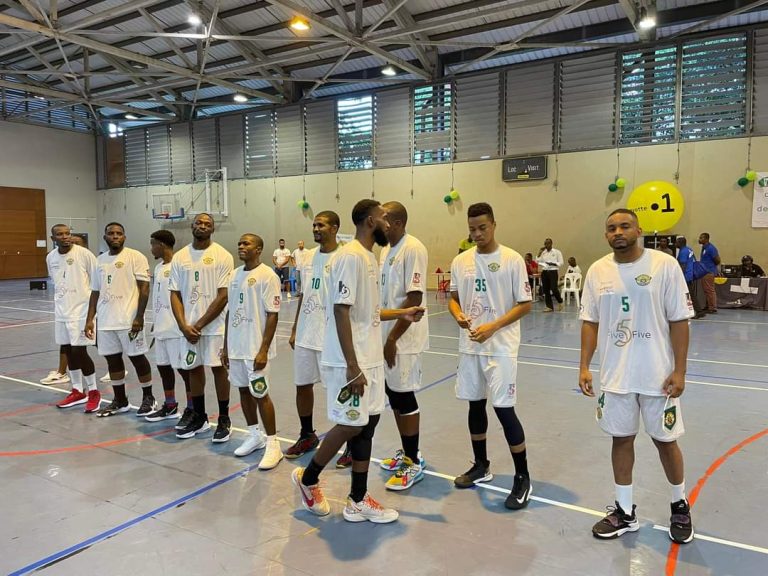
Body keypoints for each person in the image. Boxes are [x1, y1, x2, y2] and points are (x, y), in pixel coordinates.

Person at [292, 199, 424, 524]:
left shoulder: (369, 257)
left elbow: (369, 312)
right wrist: (352, 366)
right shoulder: (350, 256)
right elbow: (341, 310)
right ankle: (308, 479)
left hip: (371, 357)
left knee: (369, 423)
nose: (388, 224)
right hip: (349, 361)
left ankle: (358, 499)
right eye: (383, 218)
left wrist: (403, 312)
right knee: (351, 423)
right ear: (370, 221)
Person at [579, 209, 694, 544]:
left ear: (638, 230)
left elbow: (679, 320)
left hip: (659, 376)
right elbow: (590, 322)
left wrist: (680, 370)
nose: (618, 232)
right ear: (606, 235)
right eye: (611, 228)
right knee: (621, 440)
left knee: (666, 441)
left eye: (625, 226)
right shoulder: (598, 270)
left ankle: (679, 505)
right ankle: (625, 511)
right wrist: (584, 365)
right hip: (616, 375)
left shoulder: (664, 265)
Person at [448, 202, 534, 510]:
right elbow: (454, 298)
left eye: (482, 227)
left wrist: (493, 327)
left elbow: (525, 304)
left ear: (494, 224)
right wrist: (457, 314)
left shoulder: (511, 259)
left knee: (504, 409)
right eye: (472, 229)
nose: (477, 234)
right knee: (475, 404)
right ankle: (481, 465)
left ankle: (522, 477)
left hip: (501, 347)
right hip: (471, 345)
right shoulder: (461, 261)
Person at [378, 201, 430, 491]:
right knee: (394, 395)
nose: (379, 222)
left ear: (397, 223)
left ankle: (413, 462)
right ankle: (409, 454)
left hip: (404, 339)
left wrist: (392, 338)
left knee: (405, 397)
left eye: (384, 218)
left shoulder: (413, 249)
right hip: (388, 336)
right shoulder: (386, 250)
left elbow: (414, 299)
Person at [221, 234, 283, 470]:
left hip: (255, 348)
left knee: (260, 393)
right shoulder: (234, 275)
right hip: (236, 347)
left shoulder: (268, 275)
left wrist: (263, 350)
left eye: (246, 243)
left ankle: (273, 444)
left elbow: (273, 315)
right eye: (239, 243)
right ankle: (254, 435)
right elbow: (230, 311)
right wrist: (226, 346)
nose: (241, 246)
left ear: (258, 249)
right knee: (243, 391)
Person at [170, 213, 234, 441]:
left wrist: (198, 325)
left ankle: (224, 418)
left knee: (218, 369)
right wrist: (183, 326)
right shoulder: (180, 257)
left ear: (213, 229)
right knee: (193, 368)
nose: (203, 226)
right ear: (192, 226)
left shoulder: (223, 256)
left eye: (208, 224)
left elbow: (224, 295)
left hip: (214, 327)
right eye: (199, 222)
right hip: (188, 328)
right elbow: (175, 294)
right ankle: (200, 416)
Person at [84, 223, 154, 417]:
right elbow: (95, 292)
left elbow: (144, 288)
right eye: (111, 233)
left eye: (119, 233)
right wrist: (90, 319)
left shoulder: (135, 257)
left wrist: (139, 316)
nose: (115, 236)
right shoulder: (99, 260)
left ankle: (148, 397)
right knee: (113, 360)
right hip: (106, 321)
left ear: (124, 237)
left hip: (129, 320)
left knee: (137, 358)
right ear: (105, 237)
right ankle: (120, 400)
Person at [286, 211, 340, 460]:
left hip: (331, 336)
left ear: (334, 228)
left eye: (321, 225)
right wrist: (295, 328)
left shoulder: (344, 257)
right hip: (307, 333)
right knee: (303, 385)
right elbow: (305, 294)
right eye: (314, 225)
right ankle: (307, 434)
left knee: (337, 390)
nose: (316, 229)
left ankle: (350, 442)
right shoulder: (308, 257)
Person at [47, 224, 100, 411]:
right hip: (62, 312)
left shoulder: (84, 254)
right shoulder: (51, 257)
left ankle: (93, 391)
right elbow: (56, 282)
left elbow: (97, 283)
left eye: (67, 233)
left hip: (81, 312)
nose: (65, 237)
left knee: (79, 352)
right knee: (68, 351)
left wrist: (91, 316)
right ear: (53, 238)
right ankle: (77, 390)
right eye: (60, 234)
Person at [144, 230, 192, 422]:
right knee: (164, 368)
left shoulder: (180, 265)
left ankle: (192, 408)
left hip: (176, 329)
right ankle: (170, 405)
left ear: (162, 245)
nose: (151, 249)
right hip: (161, 328)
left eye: (153, 244)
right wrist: (156, 321)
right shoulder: (158, 268)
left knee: (184, 370)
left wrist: (184, 324)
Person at [42, 234, 88, 386]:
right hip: (64, 310)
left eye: (77, 242)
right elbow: (55, 279)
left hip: (84, 309)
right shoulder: (53, 258)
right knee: (66, 344)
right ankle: (63, 373)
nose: (70, 242)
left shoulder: (86, 257)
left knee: (94, 344)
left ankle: (114, 369)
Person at [537, 238, 564, 312]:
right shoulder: (543, 253)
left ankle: (560, 301)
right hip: (545, 271)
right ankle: (549, 307)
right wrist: (539, 253)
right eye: (545, 243)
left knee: (554, 288)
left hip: (553, 271)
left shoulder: (557, 252)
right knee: (546, 290)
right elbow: (538, 261)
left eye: (548, 243)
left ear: (551, 244)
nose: (546, 245)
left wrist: (553, 264)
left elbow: (561, 262)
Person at [698, 232, 720, 314]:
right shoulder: (704, 248)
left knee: (710, 290)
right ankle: (709, 306)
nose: (699, 239)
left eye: (701, 238)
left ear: (706, 239)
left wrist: (710, 267)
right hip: (704, 271)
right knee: (706, 290)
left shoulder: (711, 248)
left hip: (709, 271)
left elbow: (717, 260)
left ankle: (713, 307)